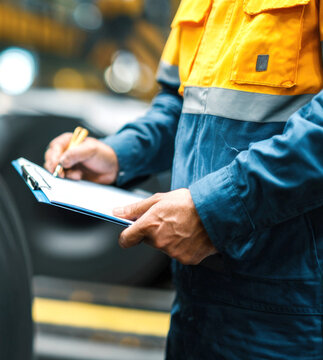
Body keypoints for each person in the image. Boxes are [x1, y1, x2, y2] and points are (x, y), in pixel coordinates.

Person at [44, 0, 323, 358]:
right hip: (195, 303)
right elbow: (180, 107)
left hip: (292, 314)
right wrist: (118, 154)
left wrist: (214, 210)